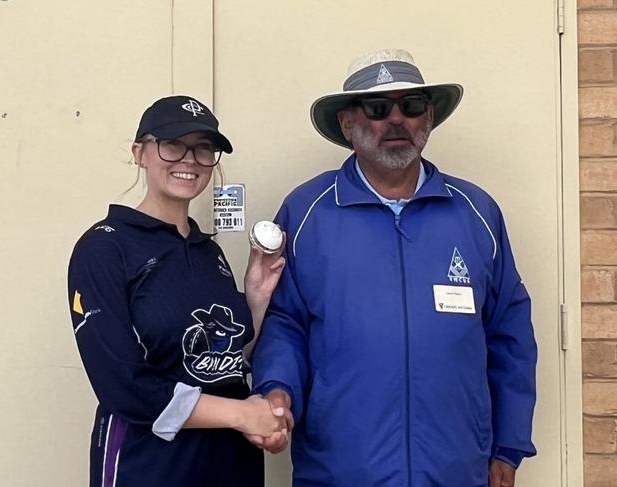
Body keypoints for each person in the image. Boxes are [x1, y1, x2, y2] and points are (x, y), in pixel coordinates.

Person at [249, 49, 537, 487]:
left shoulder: (476, 213)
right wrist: (276, 391)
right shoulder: (307, 212)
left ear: (429, 118)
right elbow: (286, 323)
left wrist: (508, 447)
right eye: (378, 108)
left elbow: (509, 334)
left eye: (412, 106)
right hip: (340, 472)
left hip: (456, 470)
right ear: (348, 124)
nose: (396, 120)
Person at [67, 95, 289, 487]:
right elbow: (123, 387)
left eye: (204, 148)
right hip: (148, 464)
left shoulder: (209, 252)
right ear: (140, 153)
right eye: (172, 144)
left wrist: (254, 295)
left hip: (228, 463)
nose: (189, 160)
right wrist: (241, 414)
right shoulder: (105, 248)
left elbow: (224, 361)